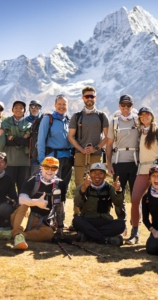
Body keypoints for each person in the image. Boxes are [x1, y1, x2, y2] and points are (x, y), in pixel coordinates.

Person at [0, 157, 66, 250]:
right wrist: (36, 202)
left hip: (40, 222)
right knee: (25, 206)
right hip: (22, 216)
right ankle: (18, 235)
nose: (49, 171)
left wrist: (60, 227)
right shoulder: (31, 180)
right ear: (41, 168)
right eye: (46, 167)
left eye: (53, 168)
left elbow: (59, 205)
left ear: (57, 170)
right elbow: (22, 199)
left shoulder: (61, 184)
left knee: (49, 233)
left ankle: (16, 234)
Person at [126, 106, 158, 245]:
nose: (144, 117)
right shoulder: (139, 132)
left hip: (157, 171)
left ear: (152, 116)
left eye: (147, 114)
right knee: (135, 199)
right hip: (142, 170)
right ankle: (135, 233)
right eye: (142, 115)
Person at [68, 86, 109, 216]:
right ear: (83, 98)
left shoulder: (102, 116)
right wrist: (81, 149)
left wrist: (95, 148)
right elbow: (70, 136)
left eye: (92, 96)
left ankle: (94, 214)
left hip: (96, 155)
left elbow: (108, 137)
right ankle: (77, 215)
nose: (89, 99)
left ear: (95, 98)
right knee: (80, 184)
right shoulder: (77, 116)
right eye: (87, 96)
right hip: (80, 155)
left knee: (96, 183)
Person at [72, 162, 125, 246]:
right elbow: (77, 203)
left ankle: (88, 235)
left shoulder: (110, 188)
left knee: (121, 225)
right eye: (94, 173)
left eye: (101, 173)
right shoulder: (83, 187)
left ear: (105, 176)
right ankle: (104, 239)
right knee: (77, 220)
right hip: (88, 220)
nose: (97, 176)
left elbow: (118, 204)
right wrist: (84, 189)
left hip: (104, 221)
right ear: (89, 174)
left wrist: (118, 191)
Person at [106, 94, 139, 223]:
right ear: (119, 106)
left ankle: (135, 227)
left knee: (135, 197)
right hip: (118, 162)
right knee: (118, 194)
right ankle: (121, 221)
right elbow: (109, 144)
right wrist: (109, 164)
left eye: (128, 105)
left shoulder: (138, 121)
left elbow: (150, 130)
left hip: (135, 163)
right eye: (123, 105)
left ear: (132, 106)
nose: (126, 108)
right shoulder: (113, 122)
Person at [37, 95, 72, 192]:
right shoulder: (48, 119)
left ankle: (61, 207)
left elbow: (71, 140)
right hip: (53, 159)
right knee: (53, 187)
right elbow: (41, 140)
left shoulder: (69, 121)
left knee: (64, 187)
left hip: (68, 159)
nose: (62, 106)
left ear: (67, 106)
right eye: (59, 104)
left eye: (64, 104)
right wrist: (41, 160)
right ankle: (51, 207)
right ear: (55, 105)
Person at [0, 100, 31, 192]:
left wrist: (12, 137)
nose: (18, 110)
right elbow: (4, 140)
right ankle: (9, 206)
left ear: (24, 111)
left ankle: (21, 206)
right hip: (9, 160)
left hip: (24, 160)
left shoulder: (28, 125)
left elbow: (27, 143)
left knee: (23, 188)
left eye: (21, 108)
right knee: (8, 187)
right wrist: (21, 139)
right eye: (16, 107)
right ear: (12, 110)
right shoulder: (5, 123)